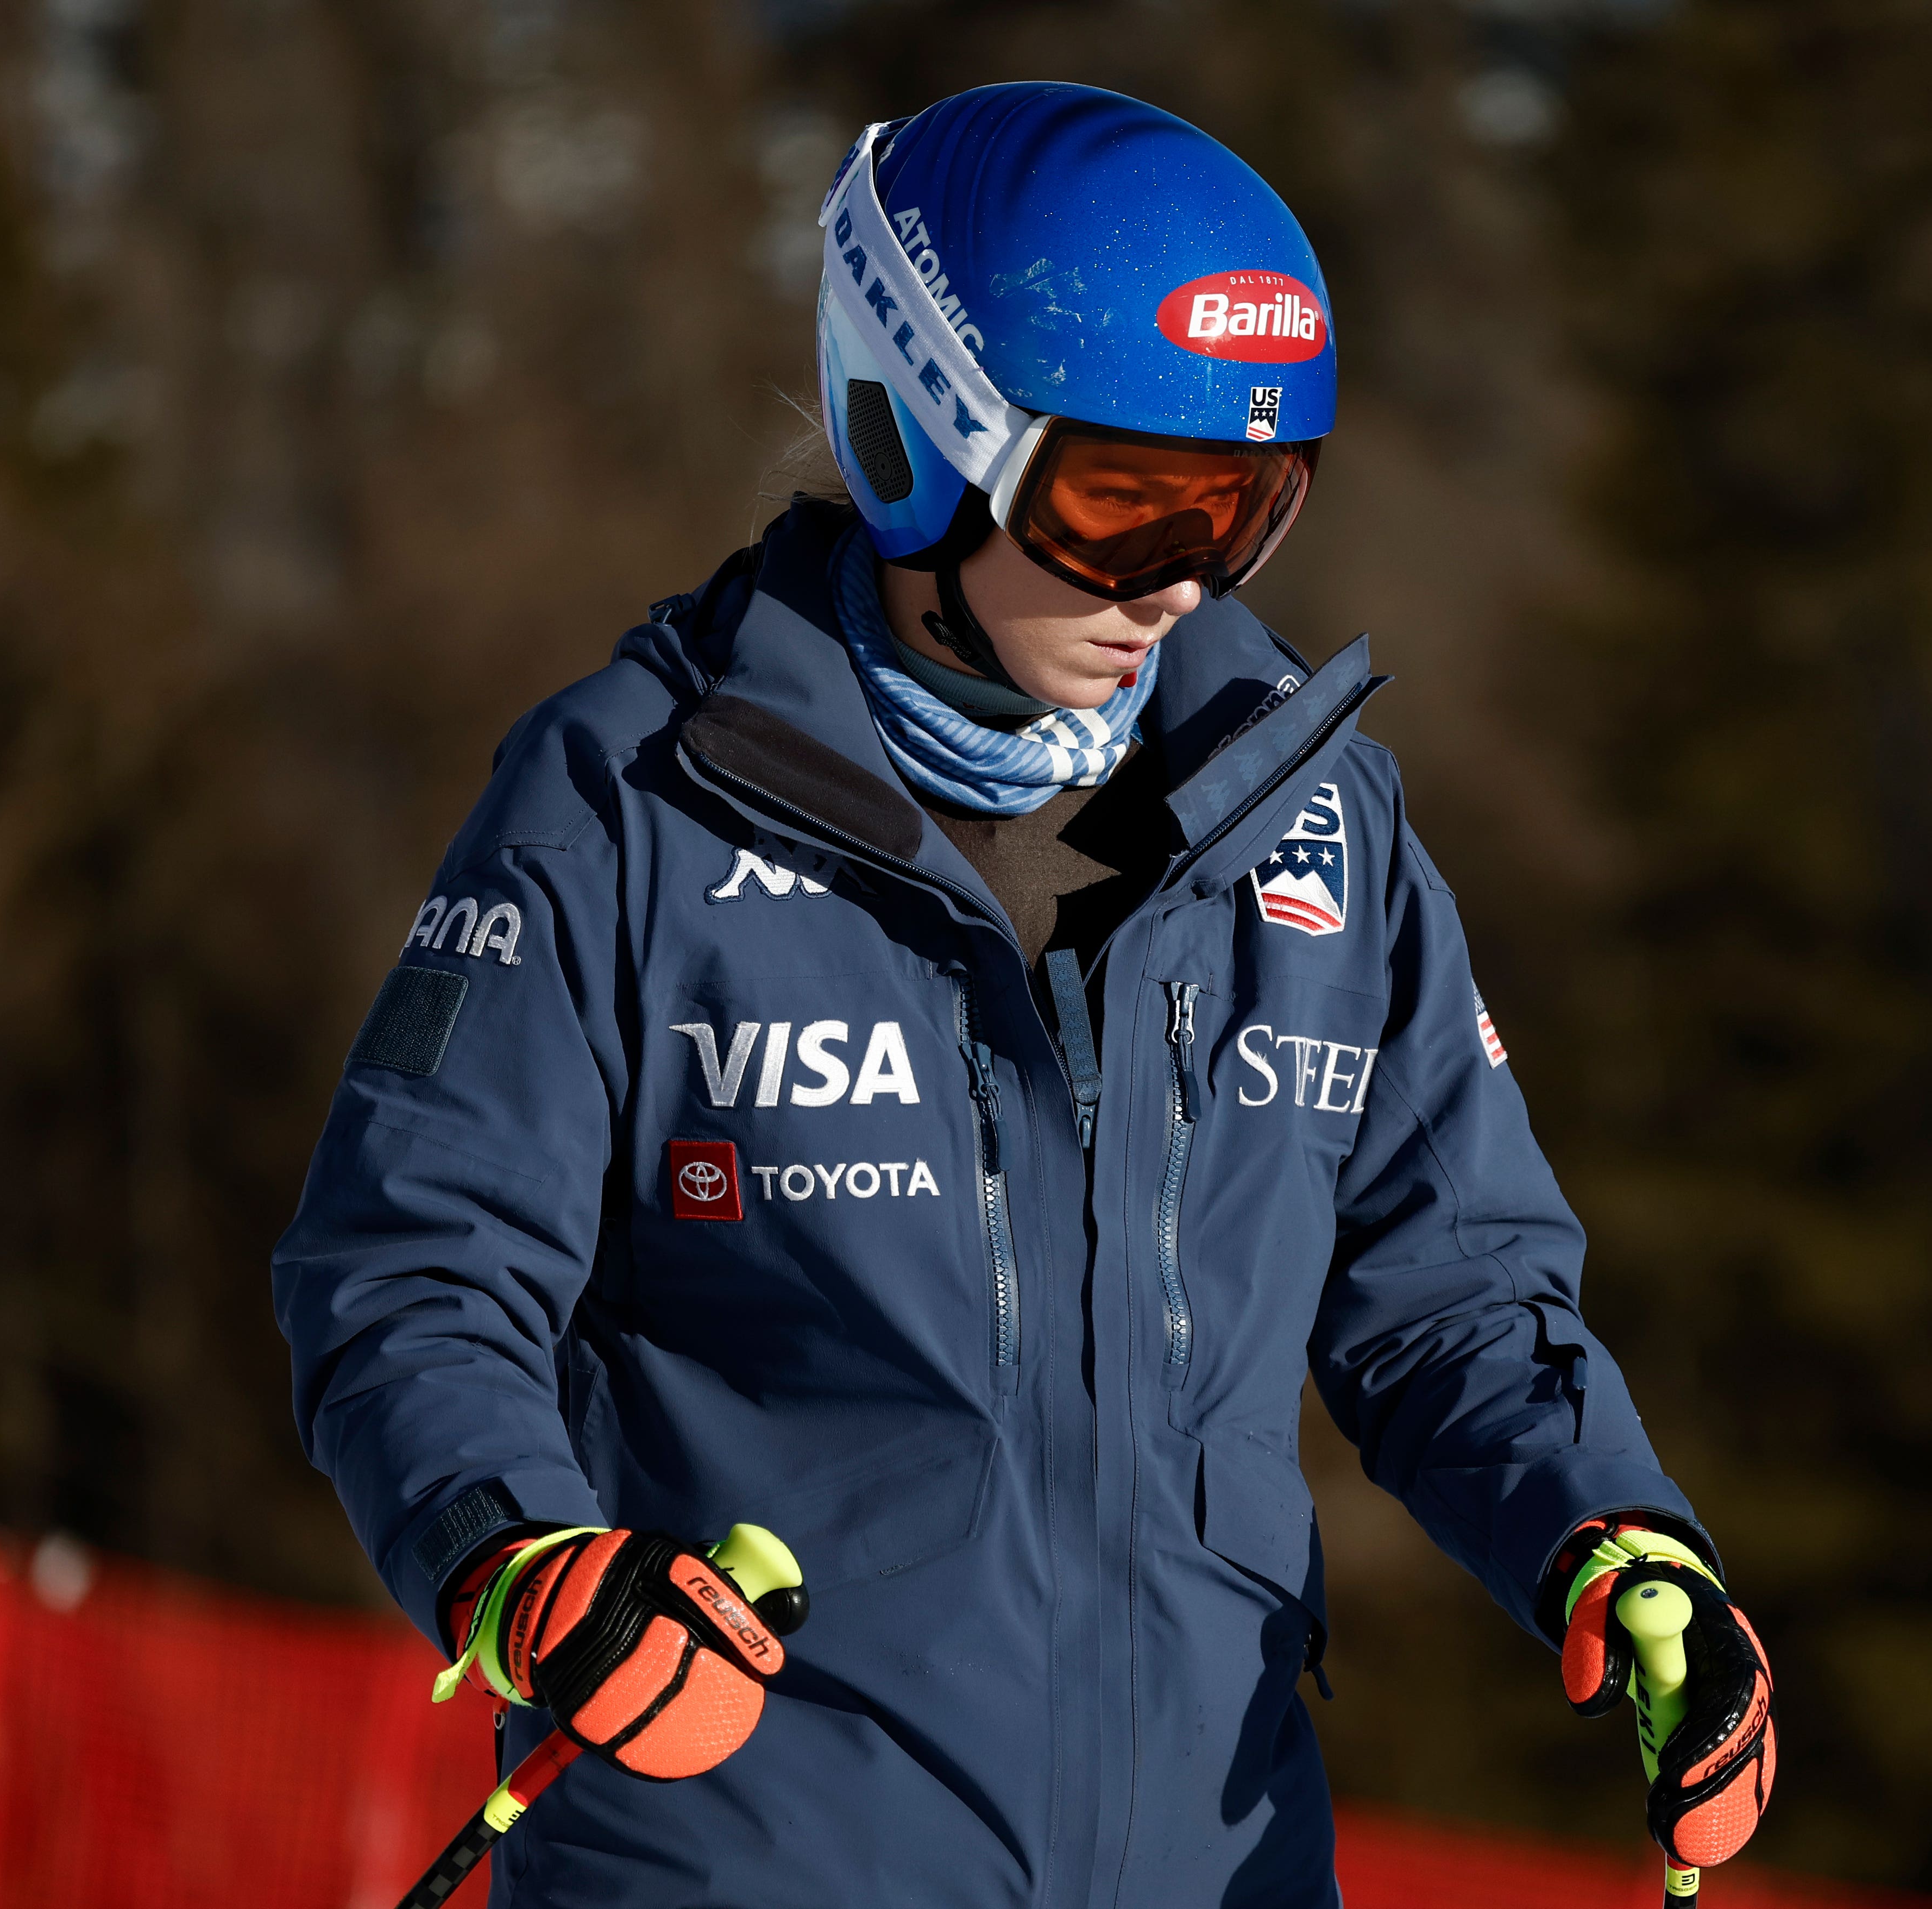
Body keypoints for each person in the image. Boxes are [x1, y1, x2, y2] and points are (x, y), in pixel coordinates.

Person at [273, 81, 1773, 1906]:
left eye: (1243, 509)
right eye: (1120, 503)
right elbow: (414, 1268)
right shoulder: (630, 799)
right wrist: (522, 1562)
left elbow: (1452, 1297)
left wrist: (1617, 1540)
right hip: (753, 1858)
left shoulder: (1309, 821)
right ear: (916, 434)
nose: (1178, 584)